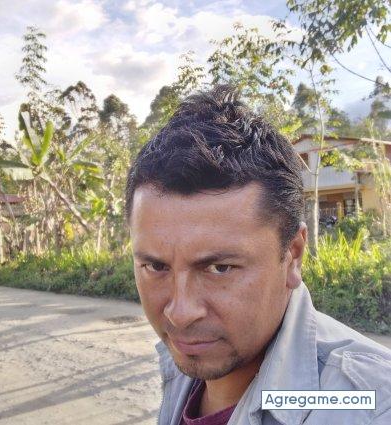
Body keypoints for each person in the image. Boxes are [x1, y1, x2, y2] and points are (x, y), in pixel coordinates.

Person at [125, 86, 391, 424]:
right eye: (155, 266)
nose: (180, 314)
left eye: (220, 268)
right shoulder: (186, 367)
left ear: (293, 254)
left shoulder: (370, 406)